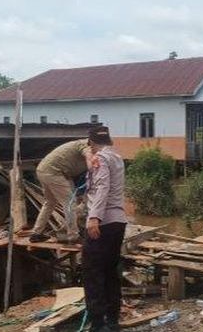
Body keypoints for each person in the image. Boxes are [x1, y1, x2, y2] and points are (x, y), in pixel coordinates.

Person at [81, 126, 127, 332]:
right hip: (118, 221)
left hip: (103, 222)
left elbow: (101, 187)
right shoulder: (116, 157)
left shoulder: (100, 159)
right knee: (110, 271)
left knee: (93, 272)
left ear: (91, 142)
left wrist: (93, 217)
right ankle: (113, 319)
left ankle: (98, 324)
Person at [29, 138, 93, 243]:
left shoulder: (85, 145)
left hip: (45, 170)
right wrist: (93, 166)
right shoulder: (86, 146)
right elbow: (88, 156)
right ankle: (73, 236)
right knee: (69, 204)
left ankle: (36, 233)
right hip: (54, 173)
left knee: (50, 203)